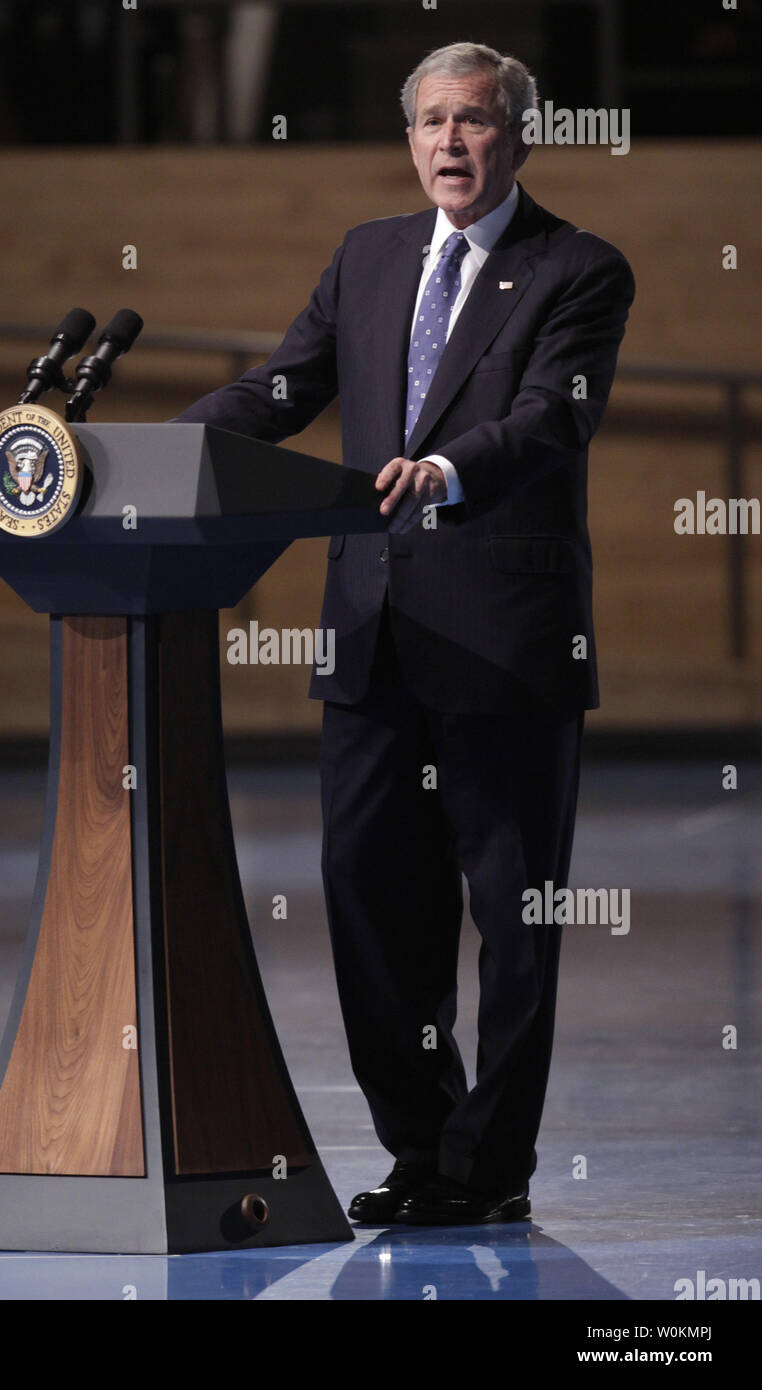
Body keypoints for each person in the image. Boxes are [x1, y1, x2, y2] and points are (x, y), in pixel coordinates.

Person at [172, 41, 634, 1225]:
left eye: (473, 121)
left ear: (519, 136)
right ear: (408, 136)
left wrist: (444, 469)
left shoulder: (577, 269)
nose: (449, 143)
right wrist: (163, 446)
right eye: (430, 121)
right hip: (371, 634)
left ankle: (491, 1170)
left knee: (511, 919)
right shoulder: (369, 257)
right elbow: (283, 389)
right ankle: (422, 1148)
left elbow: (549, 422)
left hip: (502, 643)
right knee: (369, 896)